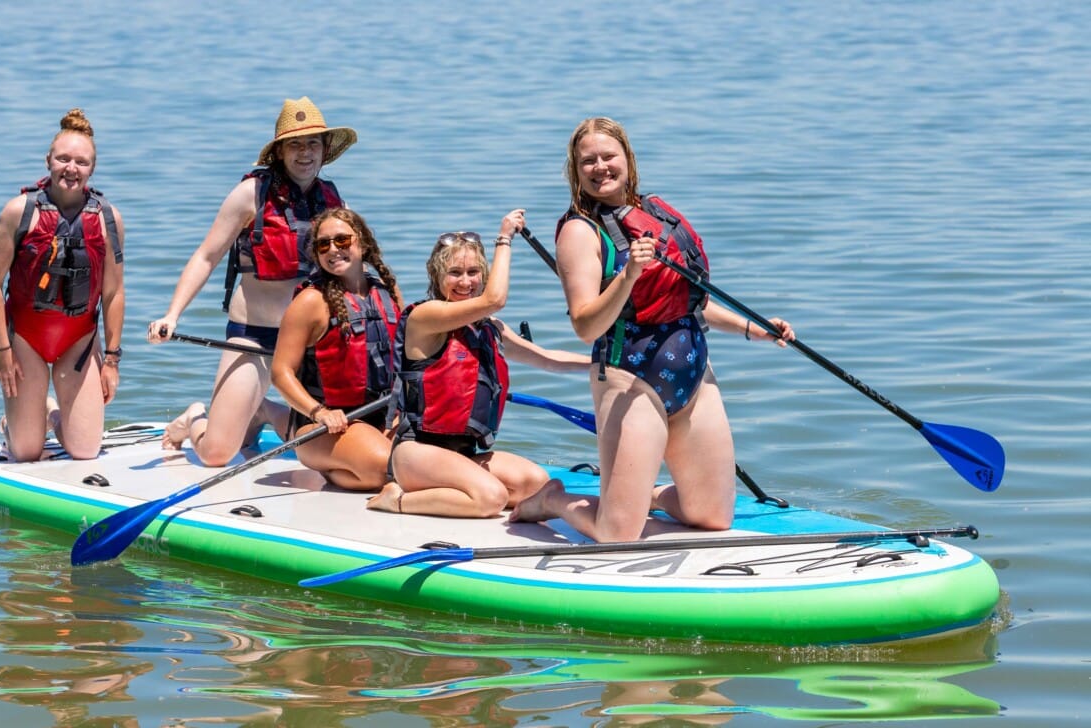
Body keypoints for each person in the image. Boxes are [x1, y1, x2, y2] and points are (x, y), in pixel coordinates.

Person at [510, 117, 795, 541]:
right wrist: (628, 276)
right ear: (575, 170)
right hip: (630, 379)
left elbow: (691, 303)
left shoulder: (656, 214)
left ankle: (652, 494)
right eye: (588, 161)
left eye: (609, 156)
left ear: (628, 159)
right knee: (617, 534)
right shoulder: (579, 231)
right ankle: (553, 500)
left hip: (693, 373)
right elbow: (586, 326)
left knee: (713, 517)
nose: (600, 167)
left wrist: (754, 329)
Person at [147, 97, 357, 467]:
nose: (305, 153)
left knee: (329, 438)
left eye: (313, 144)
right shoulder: (251, 194)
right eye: (295, 144)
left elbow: (352, 266)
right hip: (254, 336)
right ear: (279, 151)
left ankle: (262, 410)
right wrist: (172, 315)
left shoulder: (332, 198)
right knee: (216, 454)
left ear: (325, 150)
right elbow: (207, 256)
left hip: (308, 342)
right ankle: (193, 417)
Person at [369, 209, 592, 518]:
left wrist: (602, 366)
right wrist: (504, 239)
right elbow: (495, 299)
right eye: (455, 273)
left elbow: (547, 359)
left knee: (537, 483)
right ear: (437, 276)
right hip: (417, 453)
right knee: (492, 498)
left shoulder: (490, 328)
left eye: (474, 272)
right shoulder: (427, 317)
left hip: (465, 453)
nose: (466, 281)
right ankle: (395, 499)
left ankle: (461, 489)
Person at [0, 108, 125, 462]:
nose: (71, 168)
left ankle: (51, 414)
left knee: (86, 450)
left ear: (92, 168)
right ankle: (24, 424)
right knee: (26, 452)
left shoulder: (109, 219)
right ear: (48, 160)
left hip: (78, 341)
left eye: (81, 161)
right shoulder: (20, 211)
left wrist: (111, 360)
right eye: (63, 159)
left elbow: (114, 292)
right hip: (25, 341)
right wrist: (2, 351)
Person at [270, 208, 401, 491]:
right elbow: (281, 372)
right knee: (385, 470)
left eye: (342, 241)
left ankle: (268, 413)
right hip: (324, 426)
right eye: (323, 244)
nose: (333, 249)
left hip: (383, 416)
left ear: (362, 243)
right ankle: (267, 415)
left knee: (424, 462)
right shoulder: (309, 302)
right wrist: (320, 412)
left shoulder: (388, 291)